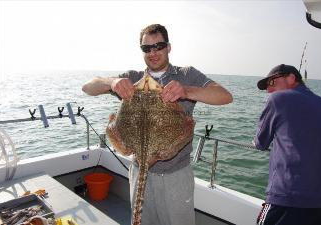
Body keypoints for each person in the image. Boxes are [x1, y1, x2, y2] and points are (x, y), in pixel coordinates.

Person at [82, 24, 233, 225]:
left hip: (176, 175)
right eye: (147, 48)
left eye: (158, 46)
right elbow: (88, 87)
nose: (153, 52)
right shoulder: (132, 78)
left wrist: (186, 91)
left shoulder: (186, 75)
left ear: (168, 47)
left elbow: (225, 96)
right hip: (138, 169)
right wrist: (112, 83)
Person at [254, 64, 321, 225]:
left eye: (272, 83)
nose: (269, 90)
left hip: (288, 199)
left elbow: (260, 142)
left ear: (291, 78)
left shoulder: (278, 99)